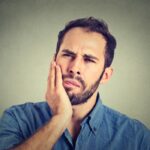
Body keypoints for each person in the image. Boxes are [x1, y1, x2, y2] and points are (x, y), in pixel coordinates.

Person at [0, 17, 150, 150]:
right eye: (68, 55)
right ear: (54, 62)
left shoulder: (138, 137)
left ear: (105, 75)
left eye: (89, 59)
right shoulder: (17, 118)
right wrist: (61, 118)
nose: (74, 68)